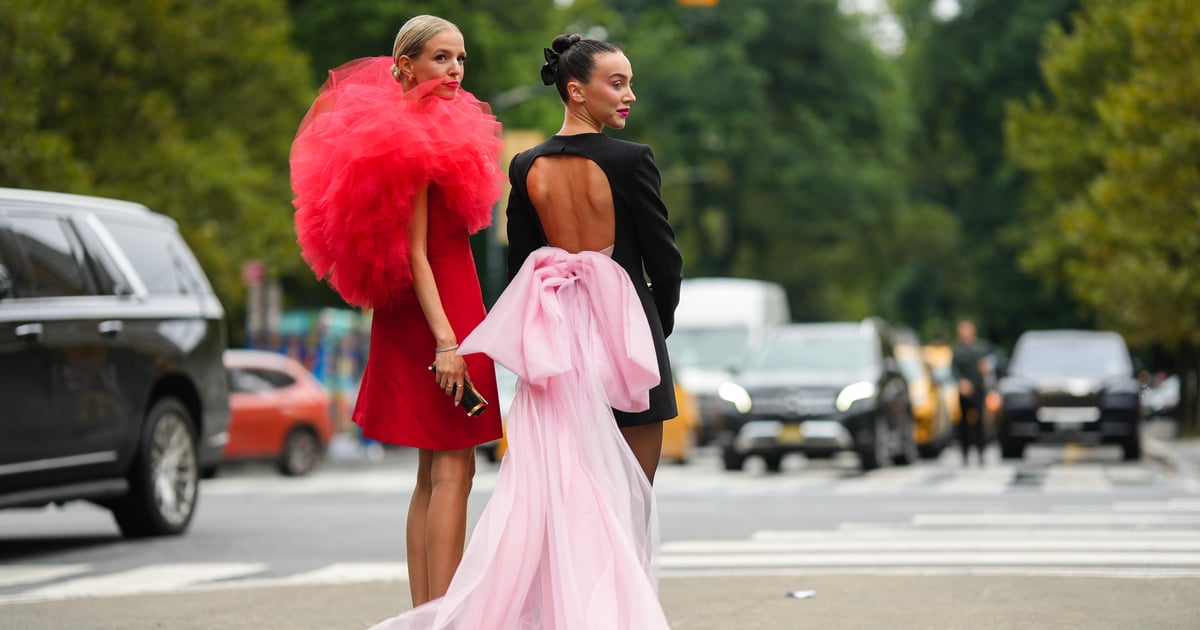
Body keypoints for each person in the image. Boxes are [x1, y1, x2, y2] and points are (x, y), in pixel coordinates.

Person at [362, 33, 681, 630]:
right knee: (630, 500)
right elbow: (665, 263)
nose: (629, 94)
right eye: (618, 83)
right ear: (575, 89)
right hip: (626, 340)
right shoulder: (633, 160)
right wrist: (655, 328)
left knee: (561, 503)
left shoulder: (525, 164)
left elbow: (523, 271)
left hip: (560, 350)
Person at [289, 15, 504, 606]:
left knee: (432, 474)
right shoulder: (404, 135)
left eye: (460, 58)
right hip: (440, 313)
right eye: (441, 58)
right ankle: (445, 614)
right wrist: (447, 341)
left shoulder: (429, 127)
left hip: (438, 306)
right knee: (453, 471)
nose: (455, 70)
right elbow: (412, 252)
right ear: (406, 64)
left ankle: (428, 613)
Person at [951, 317, 995, 466]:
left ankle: (981, 452)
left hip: (978, 389)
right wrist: (961, 382)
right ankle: (964, 453)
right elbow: (954, 369)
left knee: (980, 422)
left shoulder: (982, 347)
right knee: (963, 423)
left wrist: (987, 366)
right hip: (964, 391)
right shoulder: (957, 350)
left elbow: (994, 359)